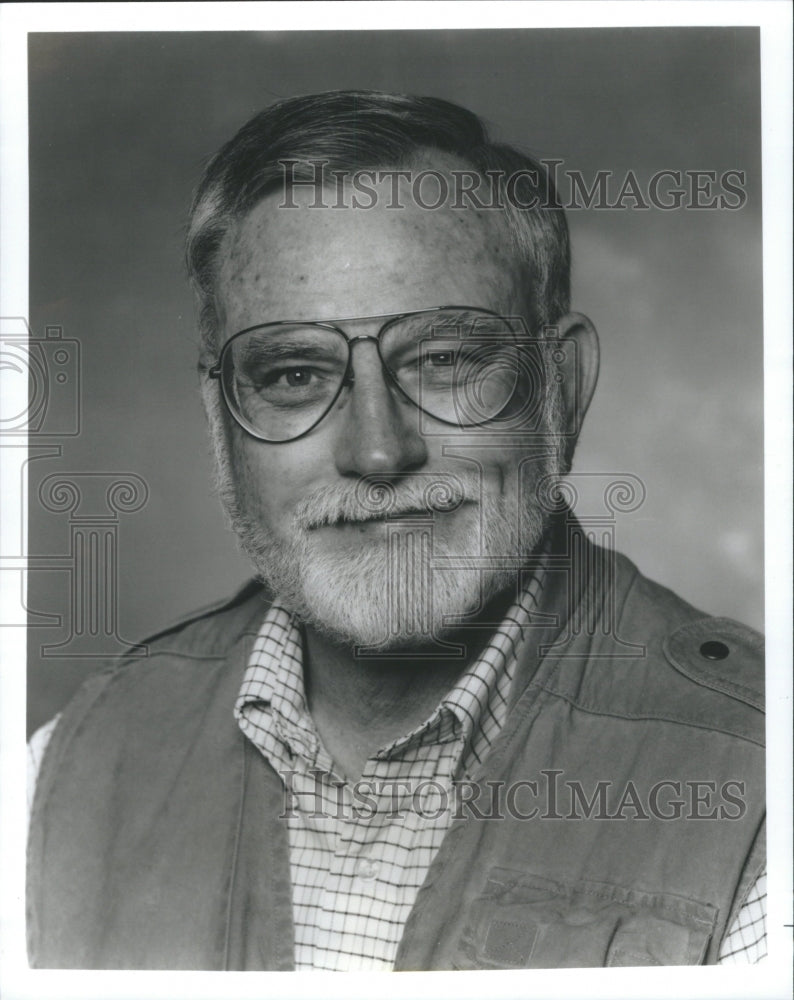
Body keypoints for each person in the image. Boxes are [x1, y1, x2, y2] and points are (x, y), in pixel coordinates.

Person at [26, 90, 765, 971]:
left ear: (559, 388)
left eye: (446, 360)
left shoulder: (760, 787)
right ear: (220, 420)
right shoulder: (66, 767)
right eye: (296, 373)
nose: (379, 451)